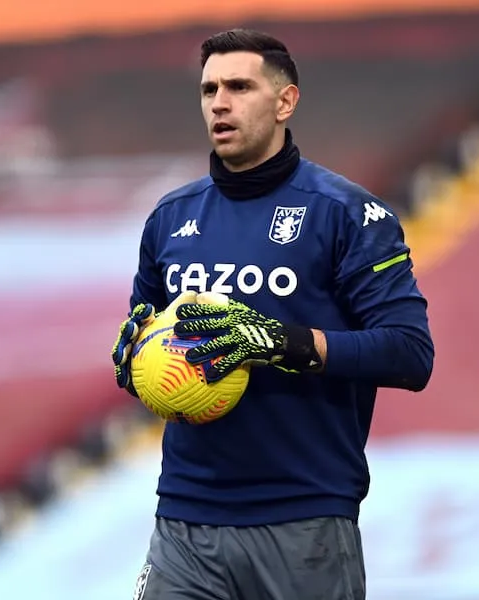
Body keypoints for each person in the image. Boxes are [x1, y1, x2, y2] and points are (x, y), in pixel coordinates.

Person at [112, 28, 434, 600]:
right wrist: (134, 361)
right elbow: (147, 336)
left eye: (239, 86)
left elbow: (410, 354)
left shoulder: (348, 214)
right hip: (185, 520)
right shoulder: (169, 218)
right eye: (209, 88)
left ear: (285, 102)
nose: (220, 102)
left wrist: (285, 342)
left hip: (304, 520)